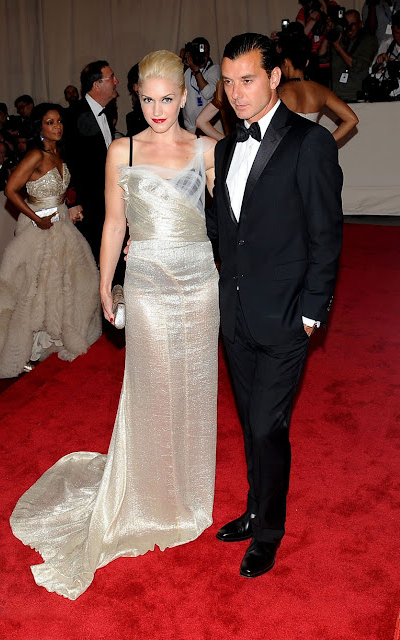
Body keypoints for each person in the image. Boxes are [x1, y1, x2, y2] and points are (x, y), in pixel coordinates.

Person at [9, 50, 219, 600]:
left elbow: (231, 218)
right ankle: (144, 489)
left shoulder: (206, 150)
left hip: (200, 281)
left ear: (184, 96)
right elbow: (114, 224)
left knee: (195, 387)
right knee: (151, 386)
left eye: (167, 98)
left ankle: (186, 490)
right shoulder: (121, 151)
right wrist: (105, 284)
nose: (157, 109)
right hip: (146, 279)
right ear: (136, 98)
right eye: (147, 99)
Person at [207, 33, 343, 578]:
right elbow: (222, 229)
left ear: (274, 78)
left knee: (267, 426)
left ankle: (268, 531)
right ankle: (254, 507)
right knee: (249, 422)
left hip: (287, 314)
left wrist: (312, 312)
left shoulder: (311, 143)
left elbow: (326, 235)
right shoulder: (223, 148)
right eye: (228, 82)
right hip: (235, 313)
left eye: (247, 80)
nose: (235, 93)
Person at [0, 103, 101, 383]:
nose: (57, 126)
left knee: (66, 285)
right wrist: (36, 219)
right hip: (39, 231)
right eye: (50, 122)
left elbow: (58, 192)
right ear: (39, 128)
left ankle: (52, 341)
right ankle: (26, 351)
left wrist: (70, 208)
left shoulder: (58, 154)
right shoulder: (35, 155)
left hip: (61, 228)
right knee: (34, 290)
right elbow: (10, 190)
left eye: (59, 121)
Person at [65, 60, 119, 262]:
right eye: (111, 77)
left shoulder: (107, 112)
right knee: (90, 259)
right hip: (86, 204)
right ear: (97, 85)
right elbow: (67, 160)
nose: (116, 81)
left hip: (107, 199)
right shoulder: (74, 114)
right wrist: (72, 201)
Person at [277, 35, 359, 141]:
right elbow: (352, 119)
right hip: (312, 149)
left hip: (288, 149)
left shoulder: (279, 92)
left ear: (286, 62)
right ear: (307, 63)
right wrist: (326, 142)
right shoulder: (321, 90)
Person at [331, 9, 378, 101]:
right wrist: (330, 33)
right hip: (335, 95)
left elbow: (358, 65)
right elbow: (322, 57)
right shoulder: (341, 39)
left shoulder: (368, 40)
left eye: (352, 24)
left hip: (354, 95)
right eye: (346, 24)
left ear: (360, 24)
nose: (349, 28)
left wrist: (338, 47)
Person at [182, 37, 221, 132]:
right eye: (198, 53)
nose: (202, 57)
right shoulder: (186, 70)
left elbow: (207, 93)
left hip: (210, 126)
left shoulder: (213, 68)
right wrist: (181, 61)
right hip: (190, 127)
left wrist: (196, 70)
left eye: (205, 54)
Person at [370, 9, 400, 97]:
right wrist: (379, 64)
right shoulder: (387, 44)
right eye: (397, 33)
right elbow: (372, 72)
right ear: (392, 30)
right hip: (389, 94)